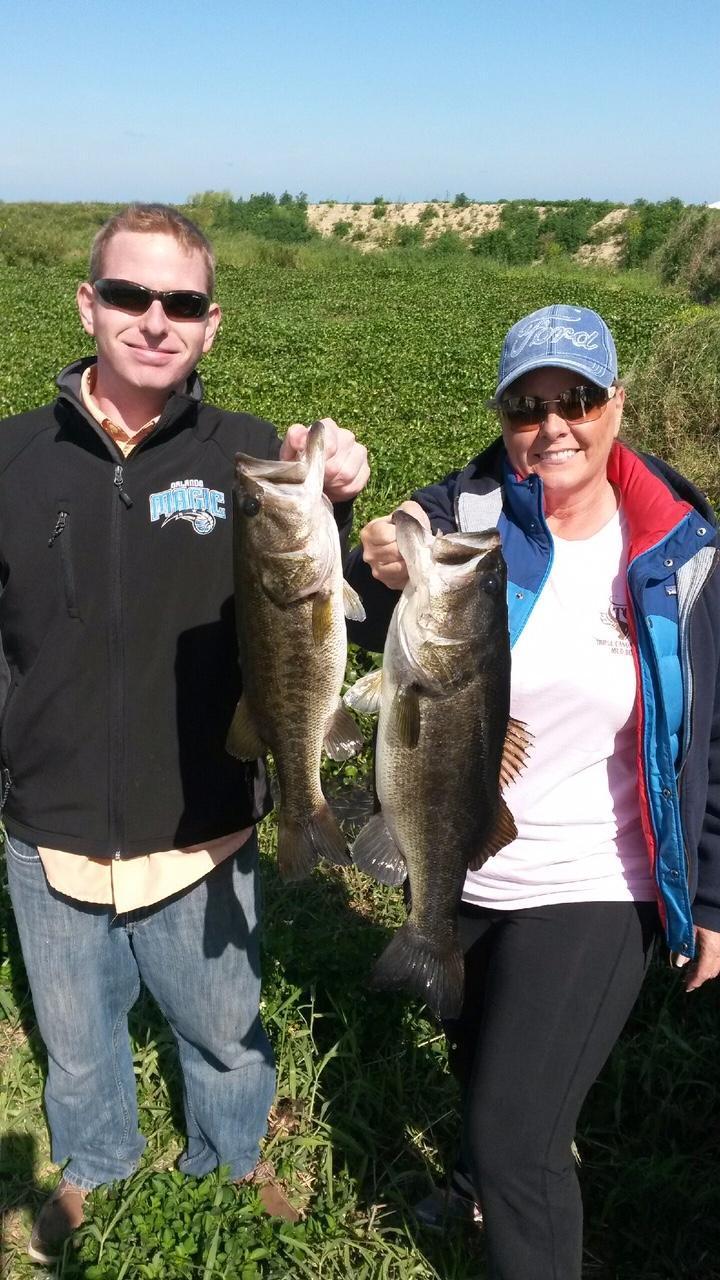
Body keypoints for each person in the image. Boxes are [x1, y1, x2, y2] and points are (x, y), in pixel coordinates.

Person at [1, 202, 369, 1265]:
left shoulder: (256, 459)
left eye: (183, 301)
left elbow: (318, 605)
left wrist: (341, 481)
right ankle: (96, 1163)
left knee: (221, 1024)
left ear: (212, 323)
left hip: (202, 822)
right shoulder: (13, 461)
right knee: (75, 1044)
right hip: (52, 820)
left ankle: (236, 1148)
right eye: (129, 294)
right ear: (87, 302)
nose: (154, 319)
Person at [346, 304, 720, 1280]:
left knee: (519, 1136)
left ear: (617, 406)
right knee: (481, 1069)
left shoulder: (679, 553)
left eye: (579, 398)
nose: (555, 424)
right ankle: (476, 1187)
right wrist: (386, 535)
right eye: (529, 403)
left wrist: (714, 894)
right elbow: (384, 565)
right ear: (504, 415)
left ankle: (509, 1197)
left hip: (600, 875)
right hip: (465, 853)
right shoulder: (480, 509)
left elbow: (711, 735)